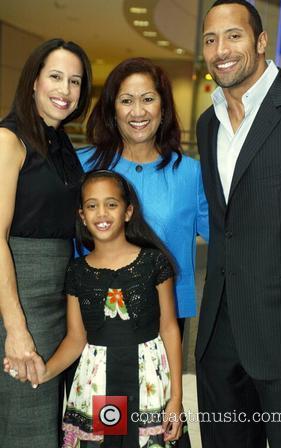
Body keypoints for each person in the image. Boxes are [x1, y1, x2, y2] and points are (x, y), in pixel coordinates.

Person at [6, 170, 191, 448]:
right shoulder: (78, 272)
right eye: (92, 206)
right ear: (82, 216)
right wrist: (44, 372)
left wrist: (176, 398)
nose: (101, 213)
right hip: (98, 388)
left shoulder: (153, 262)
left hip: (149, 385)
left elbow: (169, 329)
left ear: (128, 212)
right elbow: (76, 338)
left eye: (111, 204)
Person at [195, 0, 281, 447]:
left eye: (234, 35)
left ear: (260, 42)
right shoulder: (207, 124)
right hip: (220, 336)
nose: (221, 49)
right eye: (210, 39)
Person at [0, 38, 92, 447]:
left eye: (75, 81)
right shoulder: (9, 138)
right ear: (34, 80)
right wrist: (16, 329)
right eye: (55, 77)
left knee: (43, 419)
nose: (65, 90)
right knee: (24, 421)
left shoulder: (58, 142)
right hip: (20, 296)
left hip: (55, 299)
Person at [77, 57, 209, 338]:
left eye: (148, 99)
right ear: (113, 110)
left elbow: (227, 237)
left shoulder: (190, 173)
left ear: (163, 108)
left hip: (166, 316)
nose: (138, 111)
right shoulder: (83, 166)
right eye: (126, 101)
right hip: (92, 312)